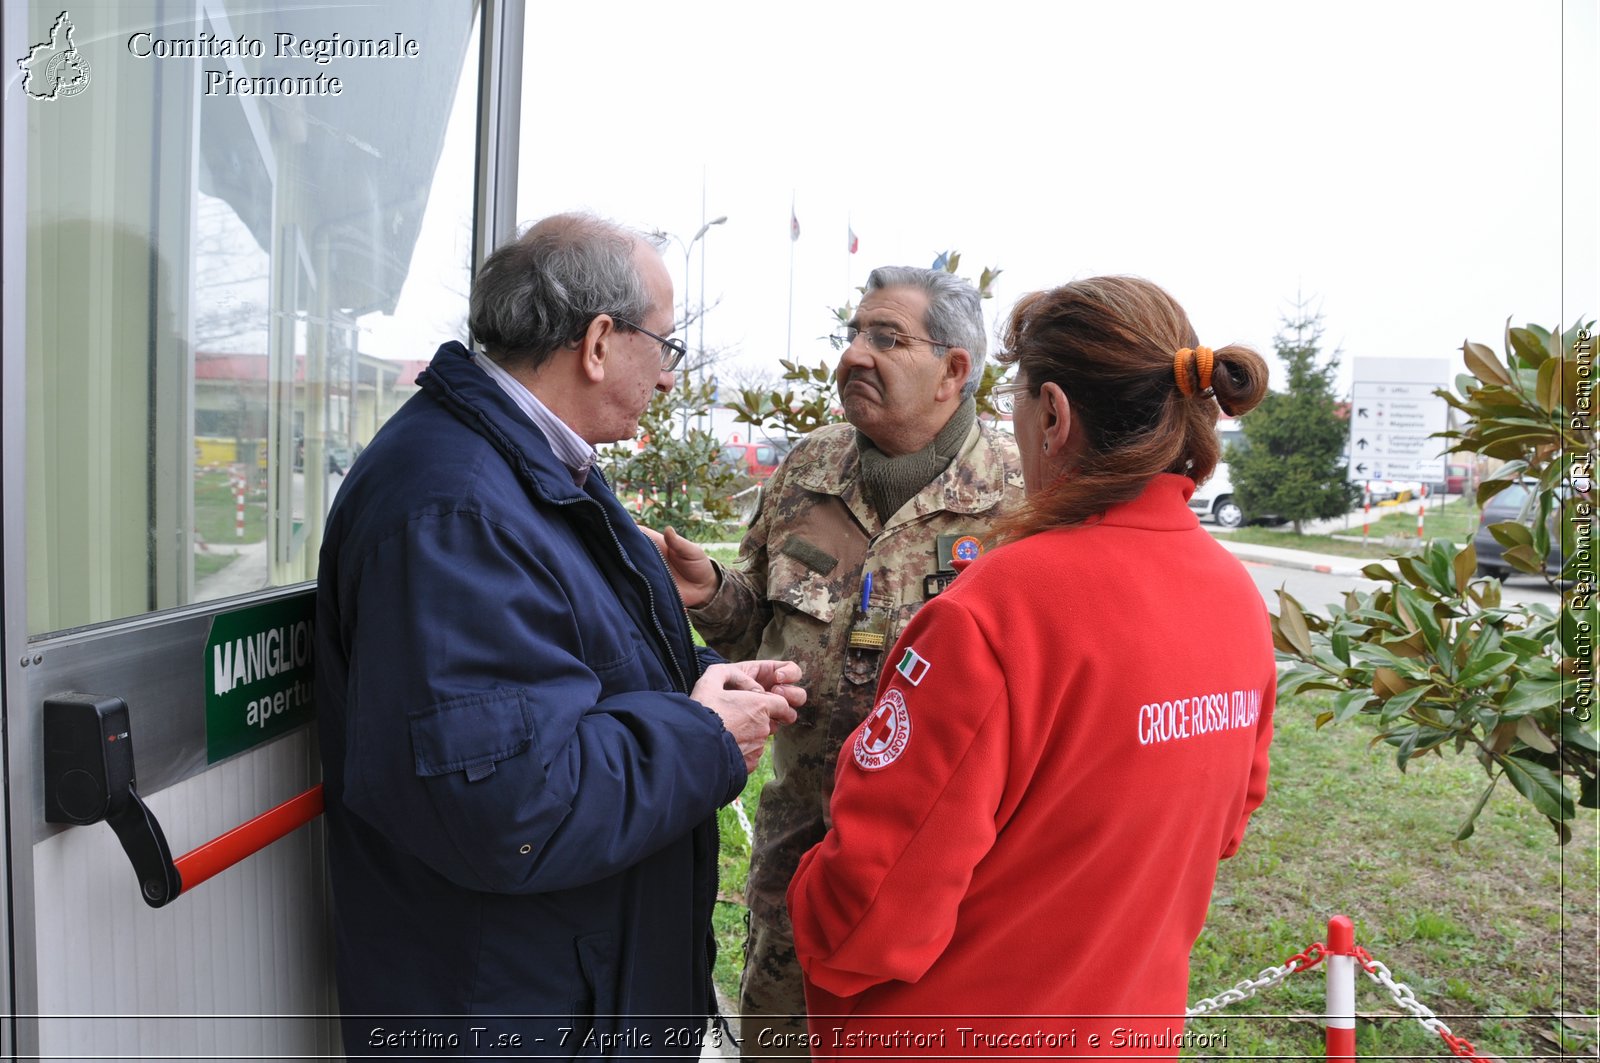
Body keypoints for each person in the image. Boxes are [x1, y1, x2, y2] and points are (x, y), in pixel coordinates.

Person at [314, 212, 805, 1058]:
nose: (670, 374)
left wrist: (705, 684)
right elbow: (510, 804)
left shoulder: (527, 468)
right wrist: (700, 733)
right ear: (601, 342)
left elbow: (577, 670)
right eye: (668, 344)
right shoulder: (458, 508)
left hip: (564, 984)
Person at [786, 276, 1276, 1059]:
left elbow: (868, 914)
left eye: (1015, 406)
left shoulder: (995, 613)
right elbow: (1222, 823)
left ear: (1053, 415)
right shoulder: (1236, 600)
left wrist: (805, 889)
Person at [647, 266, 1024, 1058]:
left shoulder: (1019, 500)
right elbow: (760, 629)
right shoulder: (808, 470)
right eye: (852, 334)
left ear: (955, 369)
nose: (854, 354)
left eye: (885, 337)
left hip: (943, 877)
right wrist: (712, 592)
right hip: (798, 849)